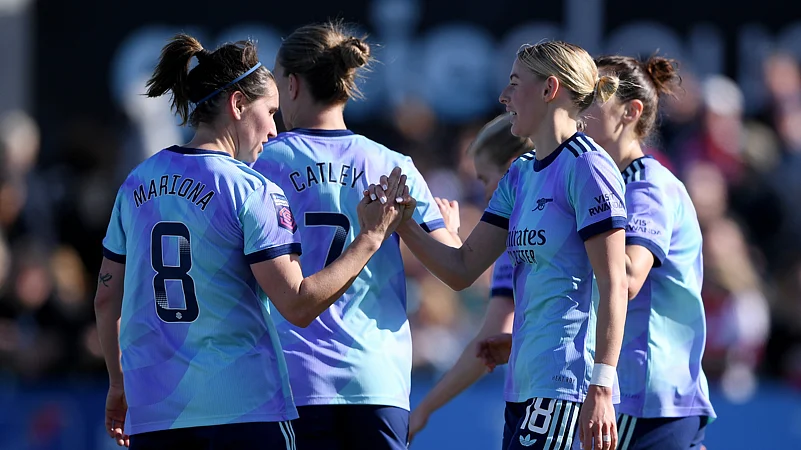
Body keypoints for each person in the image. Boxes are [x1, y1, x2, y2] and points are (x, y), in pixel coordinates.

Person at [93, 33, 408, 450]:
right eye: (271, 112)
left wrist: (118, 383)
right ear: (238, 105)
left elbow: (104, 301)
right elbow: (297, 303)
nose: (275, 129)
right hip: (243, 413)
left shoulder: (136, 184)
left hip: (155, 415)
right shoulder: (250, 190)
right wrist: (369, 238)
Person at [366, 40, 629, 450]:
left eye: (514, 83)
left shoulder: (588, 167)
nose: (503, 96)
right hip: (522, 384)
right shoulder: (521, 174)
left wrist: (602, 385)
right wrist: (402, 225)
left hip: (566, 385)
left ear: (549, 90)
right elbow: (462, 267)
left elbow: (614, 284)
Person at [251, 20, 461, 450]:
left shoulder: (263, 165)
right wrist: (452, 231)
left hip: (294, 380)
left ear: (290, 85)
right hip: (378, 380)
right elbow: (453, 264)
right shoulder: (392, 163)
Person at [581, 55, 716, 449]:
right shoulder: (609, 183)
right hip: (653, 400)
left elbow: (627, 277)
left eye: (595, 94)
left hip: (649, 399)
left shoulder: (647, 185)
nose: (579, 104)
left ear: (630, 111)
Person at [408, 113, 532, 443]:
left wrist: (417, 227)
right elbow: (492, 339)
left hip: (558, 393)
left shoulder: (529, 230)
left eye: (485, 178)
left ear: (511, 168)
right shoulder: (517, 233)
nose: (487, 192)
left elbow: (462, 273)